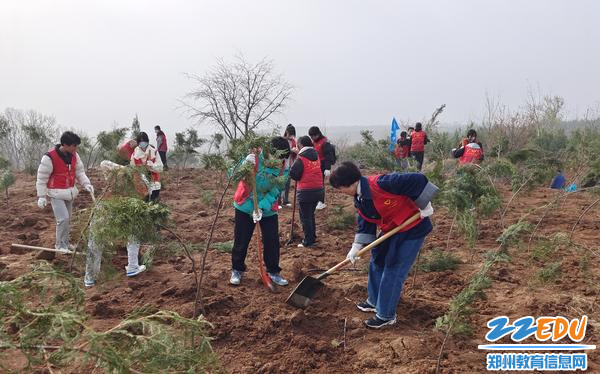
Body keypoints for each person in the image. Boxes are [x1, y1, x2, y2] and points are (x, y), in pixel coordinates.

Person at [329, 161, 437, 329]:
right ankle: (374, 300)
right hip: (392, 227)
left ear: (349, 184)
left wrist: (424, 204)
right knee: (378, 259)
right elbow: (366, 222)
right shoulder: (359, 197)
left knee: (393, 268)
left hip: (413, 226)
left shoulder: (382, 183)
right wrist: (356, 247)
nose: (340, 191)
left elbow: (418, 179)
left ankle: (386, 315)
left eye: (339, 188)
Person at [230, 136, 291, 286]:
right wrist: (244, 165)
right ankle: (237, 269)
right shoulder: (254, 158)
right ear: (269, 152)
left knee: (272, 240)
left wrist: (262, 207)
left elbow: (276, 190)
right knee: (241, 240)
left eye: (282, 160)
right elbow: (232, 175)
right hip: (244, 206)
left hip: (268, 209)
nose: (279, 163)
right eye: (277, 159)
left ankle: (273, 271)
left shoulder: (284, 168)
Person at [83, 160, 154, 287]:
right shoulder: (136, 178)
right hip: (117, 208)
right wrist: (127, 170)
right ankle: (132, 266)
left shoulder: (124, 175)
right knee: (133, 235)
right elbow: (104, 163)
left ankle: (90, 278)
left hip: (109, 207)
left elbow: (104, 163)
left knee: (96, 240)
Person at [36, 131, 94, 254]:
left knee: (68, 219)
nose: (76, 148)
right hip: (55, 193)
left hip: (70, 192)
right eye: (74, 145)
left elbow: (79, 172)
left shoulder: (74, 156)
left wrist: (86, 183)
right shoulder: (49, 157)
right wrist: (41, 196)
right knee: (63, 219)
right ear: (65, 145)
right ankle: (59, 245)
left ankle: (66, 243)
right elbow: (42, 178)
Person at [289, 136, 325, 248]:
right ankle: (312, 237)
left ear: (300, 145)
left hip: (306, 191)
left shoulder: (301, 157)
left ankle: (308, 241)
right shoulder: (316, 155)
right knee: (310, 215)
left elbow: (294, 174)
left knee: (305, 217)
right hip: (318, 189)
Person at [308, 126, 336, 210]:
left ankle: (321, 202)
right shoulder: (314, 142)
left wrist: (327, 168)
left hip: (323, 165)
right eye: (311, 136)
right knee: (314, 183)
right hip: (315, 165)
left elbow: (328, 156)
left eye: (313, 136)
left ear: (317, 134)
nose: (312, 138)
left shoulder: (325, 143)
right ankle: (315, 199)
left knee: (320, 184)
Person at [131, 132, 163, 201]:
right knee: (144, 200)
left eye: (144, 141)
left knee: (153, 200)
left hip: (154, 180)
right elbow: (132, 168)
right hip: (141, 182)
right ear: (138, 143)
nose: (142, 143)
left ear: (147, 141)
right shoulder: (135, 154)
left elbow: (160, 167)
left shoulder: (154, 152)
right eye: (140, 141)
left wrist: (152, 166)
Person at [281, 124, 298, 207]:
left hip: (290, 164)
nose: (291, 136)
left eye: (292, 135)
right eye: (290, 134)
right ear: (286, 132)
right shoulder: (281, 140)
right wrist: (289, 151)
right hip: (282, 165)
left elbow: (295, 153)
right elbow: (280, 152)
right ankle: (278, 202)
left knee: (287, 183)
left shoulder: (293, 141)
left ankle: (286, 200)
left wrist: (295, 152)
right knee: (280, 184)